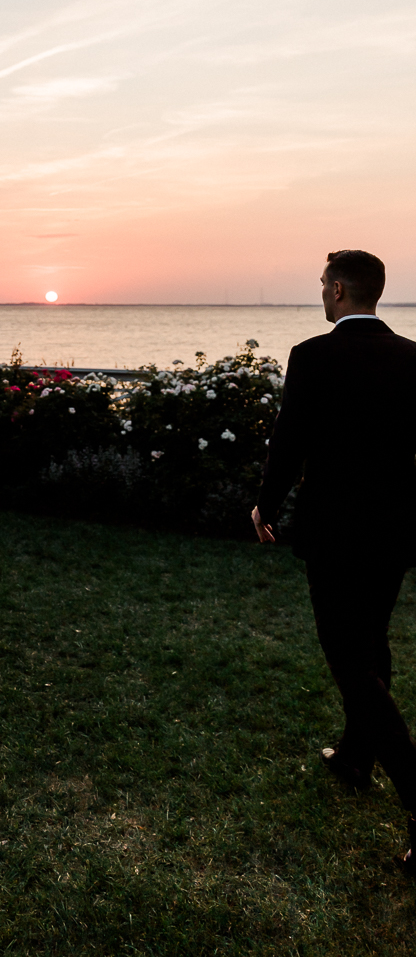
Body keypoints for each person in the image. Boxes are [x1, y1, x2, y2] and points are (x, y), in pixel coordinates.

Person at [252, 249, 416, 872]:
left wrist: (265, 504)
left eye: (324, 283)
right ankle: (355, 755)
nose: (321, 292)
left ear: (341, 290)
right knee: (371, 643)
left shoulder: (313, 356)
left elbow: (289, 440)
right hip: (397, 532)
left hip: (336, 530)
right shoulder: (412, 358)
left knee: (349, 658)